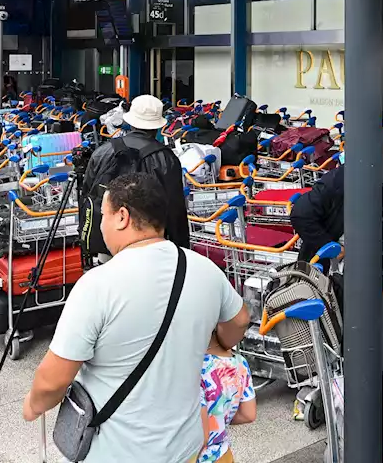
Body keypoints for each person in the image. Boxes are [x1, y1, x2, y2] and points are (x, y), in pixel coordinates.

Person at [22, 171, 250, 463]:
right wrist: (212, 343)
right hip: (187, 446)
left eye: (103, 215)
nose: (101, 225)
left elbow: (52, 381)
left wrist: (32, 405)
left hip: (118, 452)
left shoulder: (97, 285)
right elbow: (239, 321)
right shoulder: (204, 269)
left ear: (122, 217)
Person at [81, 94, 189, 259]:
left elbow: (87, 194)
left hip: (110, 241)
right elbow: (175, 207)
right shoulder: (166, 158)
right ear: (158, 126)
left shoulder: (103, 151)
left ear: (130, 121)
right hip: (150, 244)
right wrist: (181, 246)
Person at [200, 329, 256, 463]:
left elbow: (201, 437)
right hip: (224, 455)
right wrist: (218, 422)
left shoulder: (194, 370)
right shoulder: (239, 362)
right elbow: (248, 414)